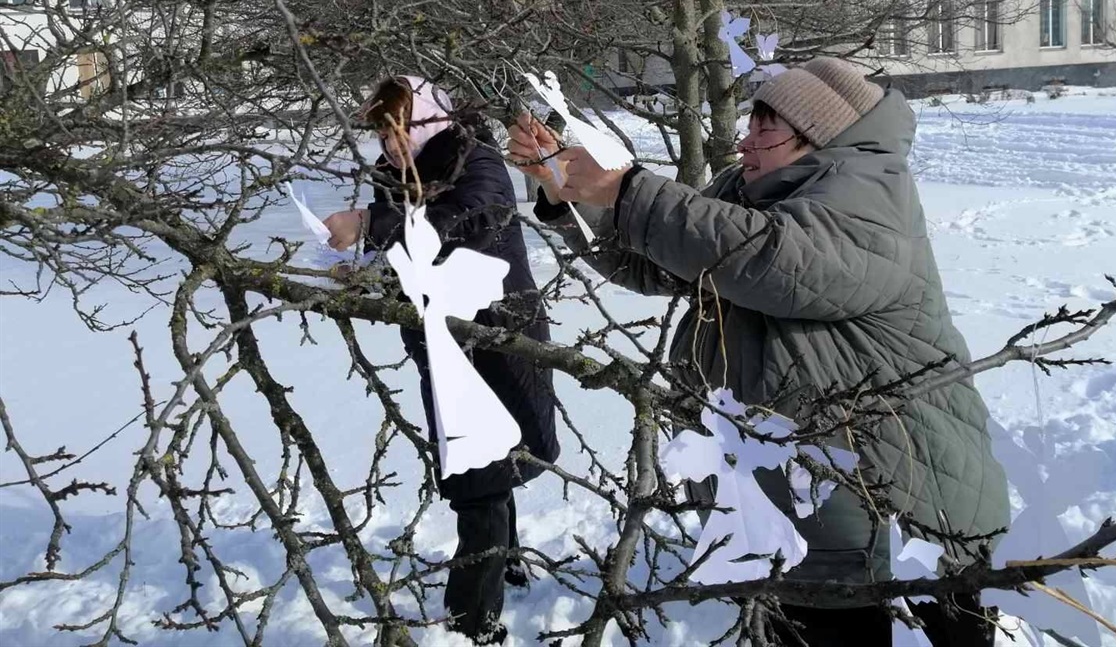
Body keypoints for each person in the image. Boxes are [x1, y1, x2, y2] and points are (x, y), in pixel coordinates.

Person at [508, 58, 1008, 647]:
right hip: (796, 499)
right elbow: (654, 259)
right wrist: (567, 192)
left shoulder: (870, 197)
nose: (745, 142)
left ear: (818, 137)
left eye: (764, 131)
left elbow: (772, 262)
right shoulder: (749, 193)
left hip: (894, 497)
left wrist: (623, 188)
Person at [325, 74, 560, 645]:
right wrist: (365, 267)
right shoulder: (394, 176)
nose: (390, 143)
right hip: (443, 341)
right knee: (481, 466)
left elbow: (470, 218)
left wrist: (370, 225)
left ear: (430, 118)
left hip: (501, 335)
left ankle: (468, 623)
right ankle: (501, 566)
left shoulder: (474, 159)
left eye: (399, 128)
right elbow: (407, 253)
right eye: (382, 133)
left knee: (486, 470)